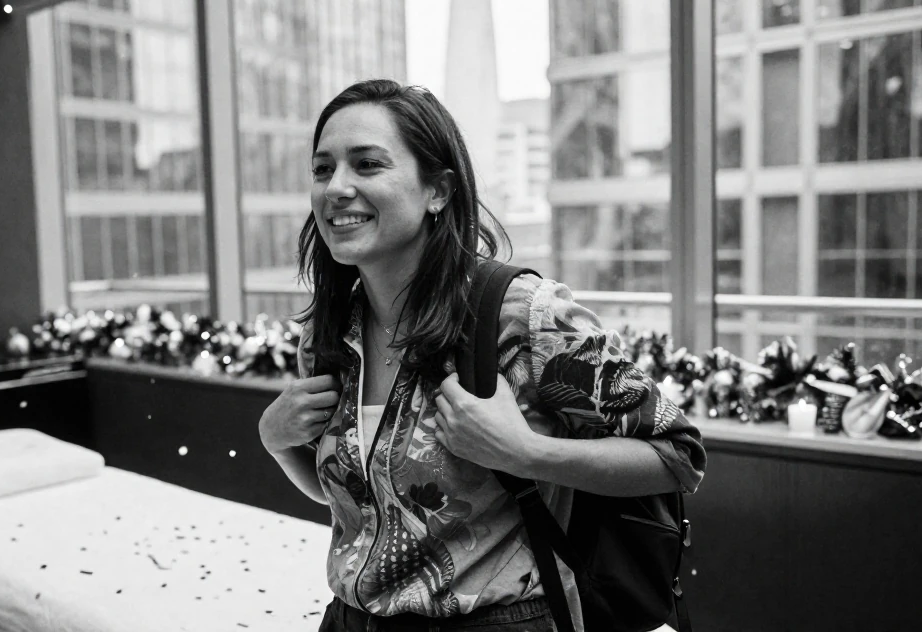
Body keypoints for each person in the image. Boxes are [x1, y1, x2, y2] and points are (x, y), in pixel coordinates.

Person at [258, 79, 706, 632]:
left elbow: (677, 457)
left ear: (438, 191)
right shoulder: (329, 333)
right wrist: (278, 445)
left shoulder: (522, 314)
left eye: (368, 165)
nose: (336, 188)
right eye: (323, 169)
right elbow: (361, 506)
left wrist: (526, 453)